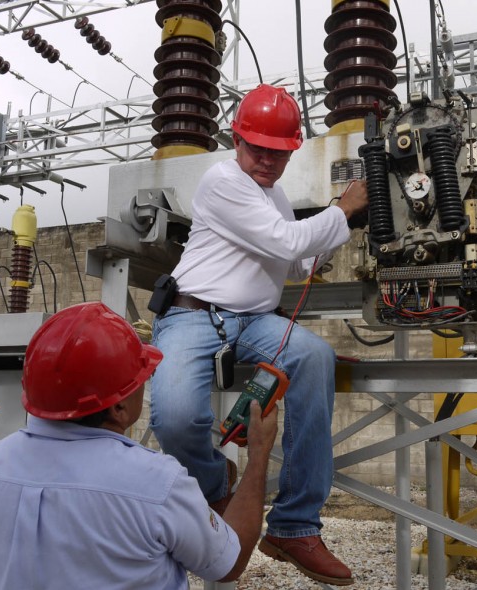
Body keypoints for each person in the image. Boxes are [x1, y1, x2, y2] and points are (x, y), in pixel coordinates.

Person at [150, 83, 369, 587]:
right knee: (179, 416)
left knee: (314, 357)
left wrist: (344, 234)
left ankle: (293, 526)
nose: (268, 161)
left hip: (254, 320)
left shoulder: (273, 194)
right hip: (193, 315)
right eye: (258, 150)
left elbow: (292, 260)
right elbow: (284, 239)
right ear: (236, 140)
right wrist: (343, 210)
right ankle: (215, 482)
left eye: (280, 153)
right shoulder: (222, 181)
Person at [0, 301, 278, 590]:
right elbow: (229, 562)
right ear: (118, 407)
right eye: (140, 379)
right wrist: (259, 455)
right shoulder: (157, 484)